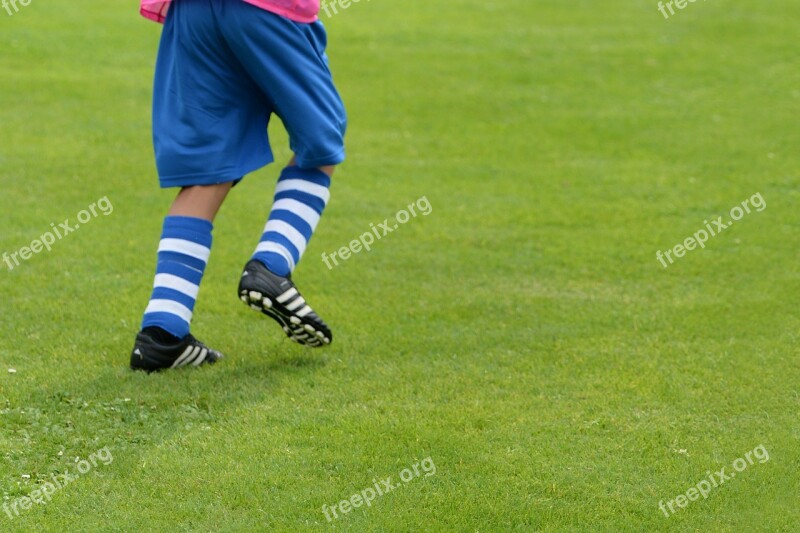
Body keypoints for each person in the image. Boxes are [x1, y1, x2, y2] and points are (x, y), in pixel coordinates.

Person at [130, 0, 347, 372]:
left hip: (193, 11)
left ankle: (162, 334)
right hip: (267, 9)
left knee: (208, 172)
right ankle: (272, 267)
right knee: (320, 145)